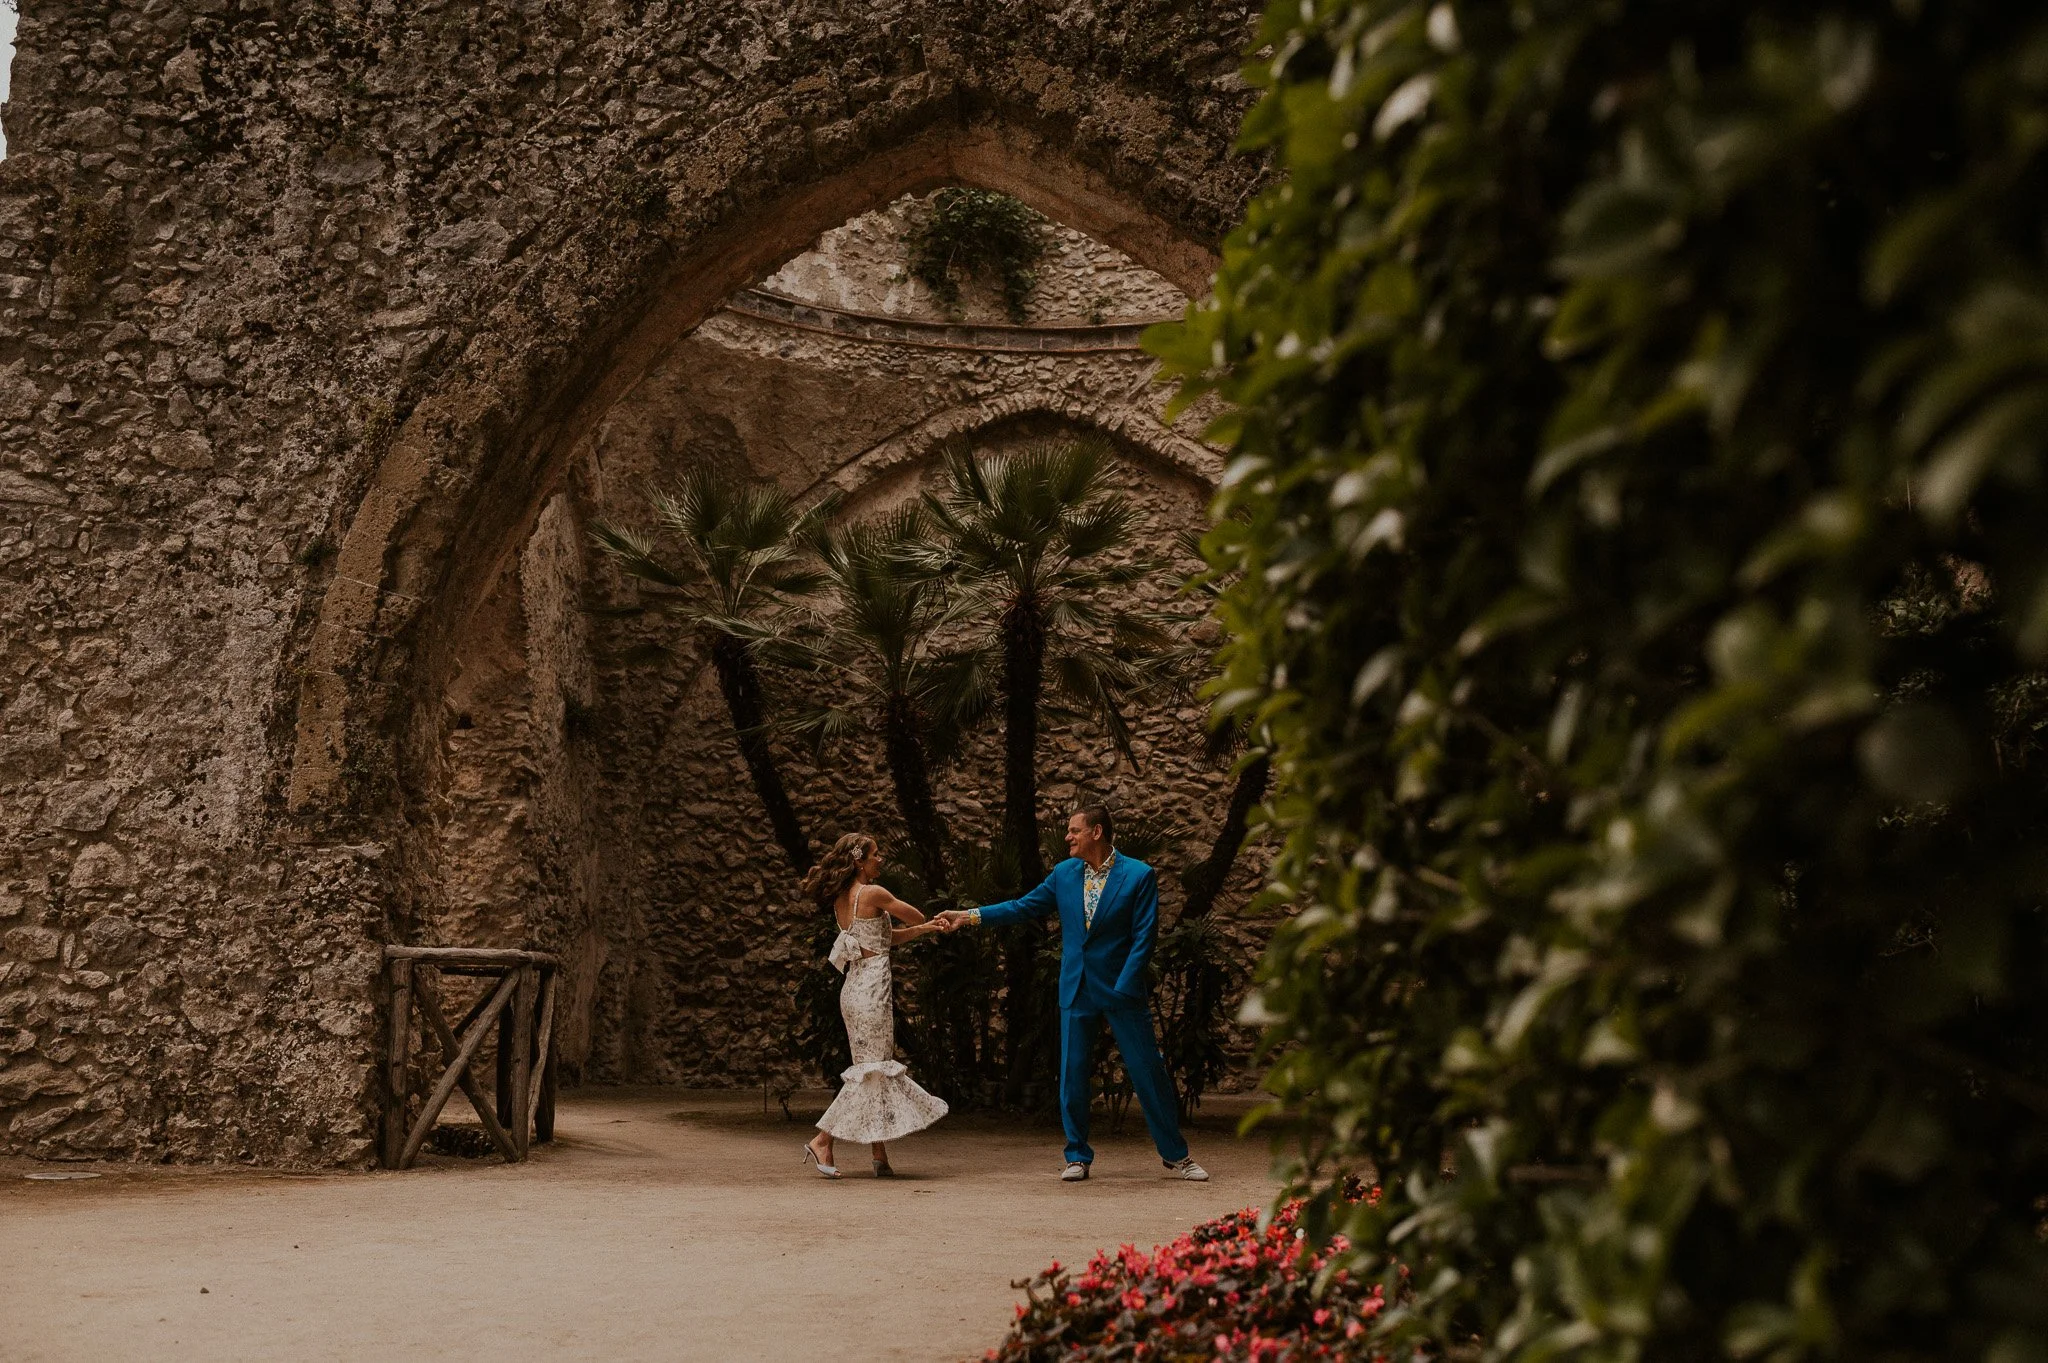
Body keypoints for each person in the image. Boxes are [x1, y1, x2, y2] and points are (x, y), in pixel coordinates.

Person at [935, 806, 1209, 1183]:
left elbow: (1145, 937)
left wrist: (1125, 986)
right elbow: (1022, 906)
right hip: (1076, 987)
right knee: (1072, 1074)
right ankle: (1077, 1155)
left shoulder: (1139, 875)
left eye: (1073, 830)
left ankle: (1176, 1156)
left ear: (1096, 832)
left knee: (1148, 1071)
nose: (1067, 837)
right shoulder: (1064, 874)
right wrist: (968, 916)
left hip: (1121, 989)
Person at [799, 832, 949, 1178]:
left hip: (854, 989)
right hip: (871, 993)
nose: (881, 860)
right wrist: (926, 920)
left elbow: (884, 938)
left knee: (873, 1071)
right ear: (859, 861)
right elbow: (911, 915)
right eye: (876, 855)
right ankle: (823, 1139)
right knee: (871, 1071)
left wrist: (926, 930)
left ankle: (879, 1154)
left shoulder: (845, 898)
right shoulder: (873, 893)